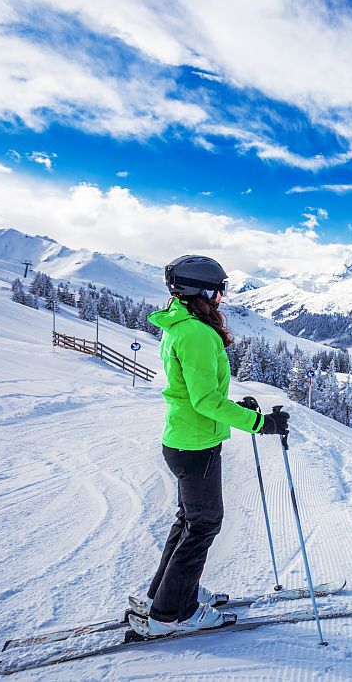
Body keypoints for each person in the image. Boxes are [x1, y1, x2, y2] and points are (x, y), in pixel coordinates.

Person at [130, 255, 289, 637]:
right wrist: (260, 423)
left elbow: (197, 392)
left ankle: (165, 595)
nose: (222, 296)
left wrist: (235, 406)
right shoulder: (197, 334)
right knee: (203, 524)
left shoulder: (180, 324)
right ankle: (172, 614)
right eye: (219, 289)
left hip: (183, 439)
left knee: (189, 521)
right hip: (196, 445)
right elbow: (204, 401)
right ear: (202, 290)